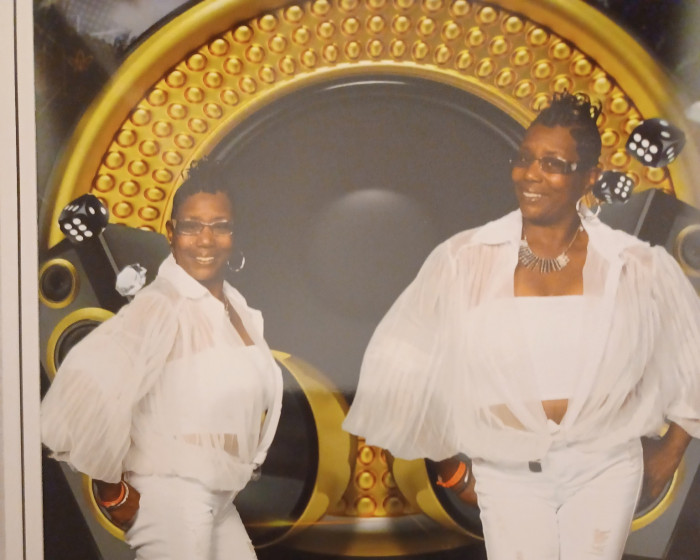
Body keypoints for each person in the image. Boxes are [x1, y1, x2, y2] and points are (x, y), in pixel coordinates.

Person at [343, 92, 700, 559]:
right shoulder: (465, 259)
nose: (531, 174)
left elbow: (691, 354)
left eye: (552, 164)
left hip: (606, 468)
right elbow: (404, 364)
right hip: (507, 472)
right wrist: (450, 467)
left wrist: (672, 450)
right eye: (525, 158)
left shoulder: (634, 265)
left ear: (589, 178)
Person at [42, 159, 283, 560]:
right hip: (172, 494)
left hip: (219, 494)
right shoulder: (163, 304)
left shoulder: (235, 306)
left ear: (233, 235)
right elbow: (87, 385)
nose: (205, 239)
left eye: (219, 225)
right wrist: (111, 490)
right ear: (171, 233)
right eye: (191, 226)